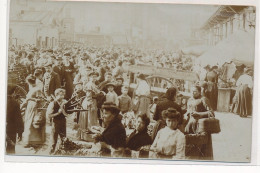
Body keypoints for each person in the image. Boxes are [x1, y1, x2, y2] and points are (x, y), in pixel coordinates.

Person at [184, 86, 214, 160]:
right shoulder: (189, 100)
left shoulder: (203, 99)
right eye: (191, 91)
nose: (192, 93)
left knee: (201, 145)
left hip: (200, 126)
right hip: (190, 124)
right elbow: (188, 110)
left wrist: (199, 114)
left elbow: (211, 113)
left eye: (195, 91)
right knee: (190, 144)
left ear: (200, 92)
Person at [21, 75, 44, 147]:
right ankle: (30, 141)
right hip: (30, 107)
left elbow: (40, 99)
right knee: (29, 122)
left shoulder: (37, 89)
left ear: (29, 82)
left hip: (34, 107)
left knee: (32, 122)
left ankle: (33, 141)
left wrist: (32, 99)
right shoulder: (33, 88)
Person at [46, 88, 69, 154]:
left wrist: (63, 108)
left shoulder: (65, 102)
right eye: (60, 95)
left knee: (63, 138)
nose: (62, 96)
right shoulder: (52, 103)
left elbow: (67, 115)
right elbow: (49, 115)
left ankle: (63, 152)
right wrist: (58, 113)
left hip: (63, 121)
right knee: (54, 139)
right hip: (55, 122)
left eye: (63, 95)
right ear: (56, 95)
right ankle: (51, 152)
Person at [6, 84, 24, 154]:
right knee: (10, 148)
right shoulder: (15, 104)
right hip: (10, 129)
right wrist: (20, 132)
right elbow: (18, 119)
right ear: (13, 93)